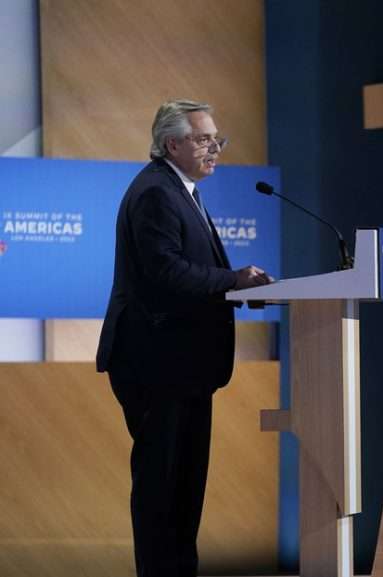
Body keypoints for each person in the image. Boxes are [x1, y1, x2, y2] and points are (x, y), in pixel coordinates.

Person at [95, 99, 272, 577]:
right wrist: (233, 280)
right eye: (203, 138)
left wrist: (233, 287)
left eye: (217, 138)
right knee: (163, 485)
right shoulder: (156, 192)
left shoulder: (181, 190)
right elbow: (165, 272)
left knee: (184, 487)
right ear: (172, 144)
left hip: (182, 363)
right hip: (157, 361)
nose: (214, 146)